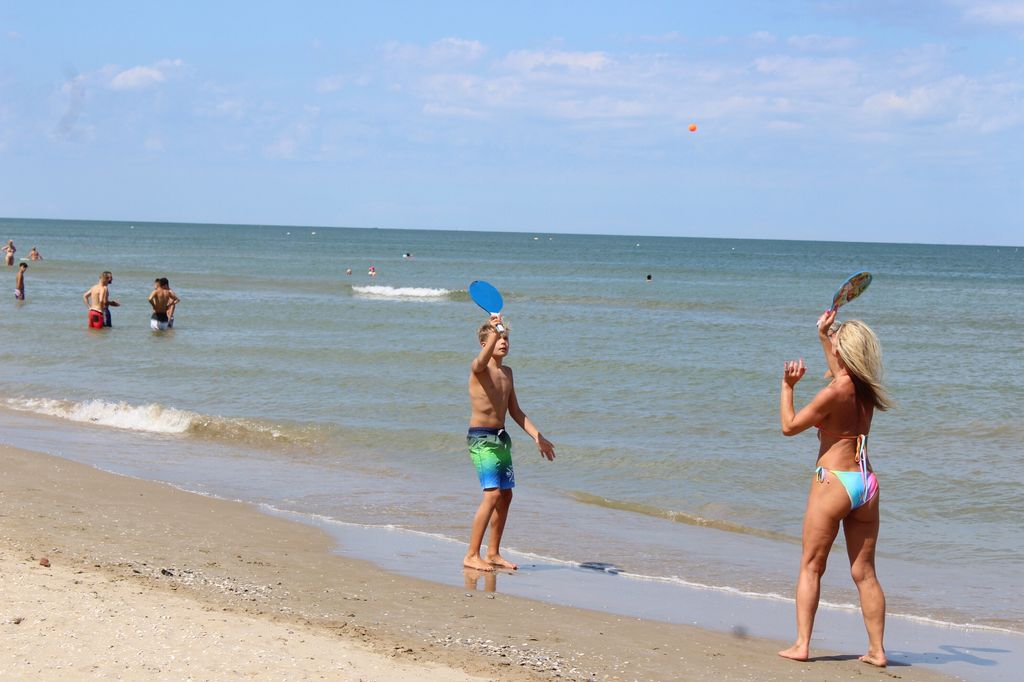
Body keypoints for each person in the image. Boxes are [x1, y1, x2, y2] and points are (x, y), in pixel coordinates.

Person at [778, 308, 892, 667]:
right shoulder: (867, 388)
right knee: (865, 573)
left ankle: (801, 645)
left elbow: (790, 426)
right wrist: (825, 334)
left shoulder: (833, 392)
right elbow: (841, 369)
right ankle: (877, 650)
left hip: (834, 482)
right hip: (866, 483)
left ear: (843, 353)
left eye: (835, 346)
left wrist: (787, 387)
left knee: (811, 565)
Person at [464, 313, 555, 572]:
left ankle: (492, 553)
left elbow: (515, 411)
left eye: (506, 338)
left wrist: (538, 436)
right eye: (498, 338)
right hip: (482, 438)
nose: (503, 342)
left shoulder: (508, 373)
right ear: (485, 344)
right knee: (492, 494)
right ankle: (471, 554)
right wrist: (494, 329)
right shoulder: (479, 369)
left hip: (502, 438)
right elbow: (479, 361)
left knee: (506, 495)